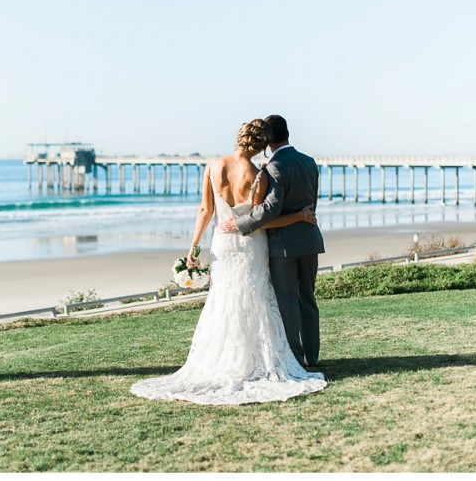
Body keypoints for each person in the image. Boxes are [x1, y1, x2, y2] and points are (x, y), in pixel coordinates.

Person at [129, 119, 327, 405]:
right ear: (260, 145)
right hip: (253, 245)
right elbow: (261, 218)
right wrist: (300, 217)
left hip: (223, 244)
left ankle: (226, 359)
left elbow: (205, 210)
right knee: (259, 300)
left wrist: (193, 248)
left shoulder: (213, 166)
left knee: (223, 301)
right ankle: (287, 357)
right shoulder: (259, 175)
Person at [221, 114, 325, 370]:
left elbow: (270, 209)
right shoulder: (309, 162)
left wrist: (240, 223)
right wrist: (302, 217)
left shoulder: (274, 167)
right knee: (308, 300)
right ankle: (312, 356)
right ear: (288, 133)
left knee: (288, 302)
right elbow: (310, 201)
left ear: (268, 141)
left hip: (284, 246)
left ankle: (296, 358)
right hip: (310, 239)